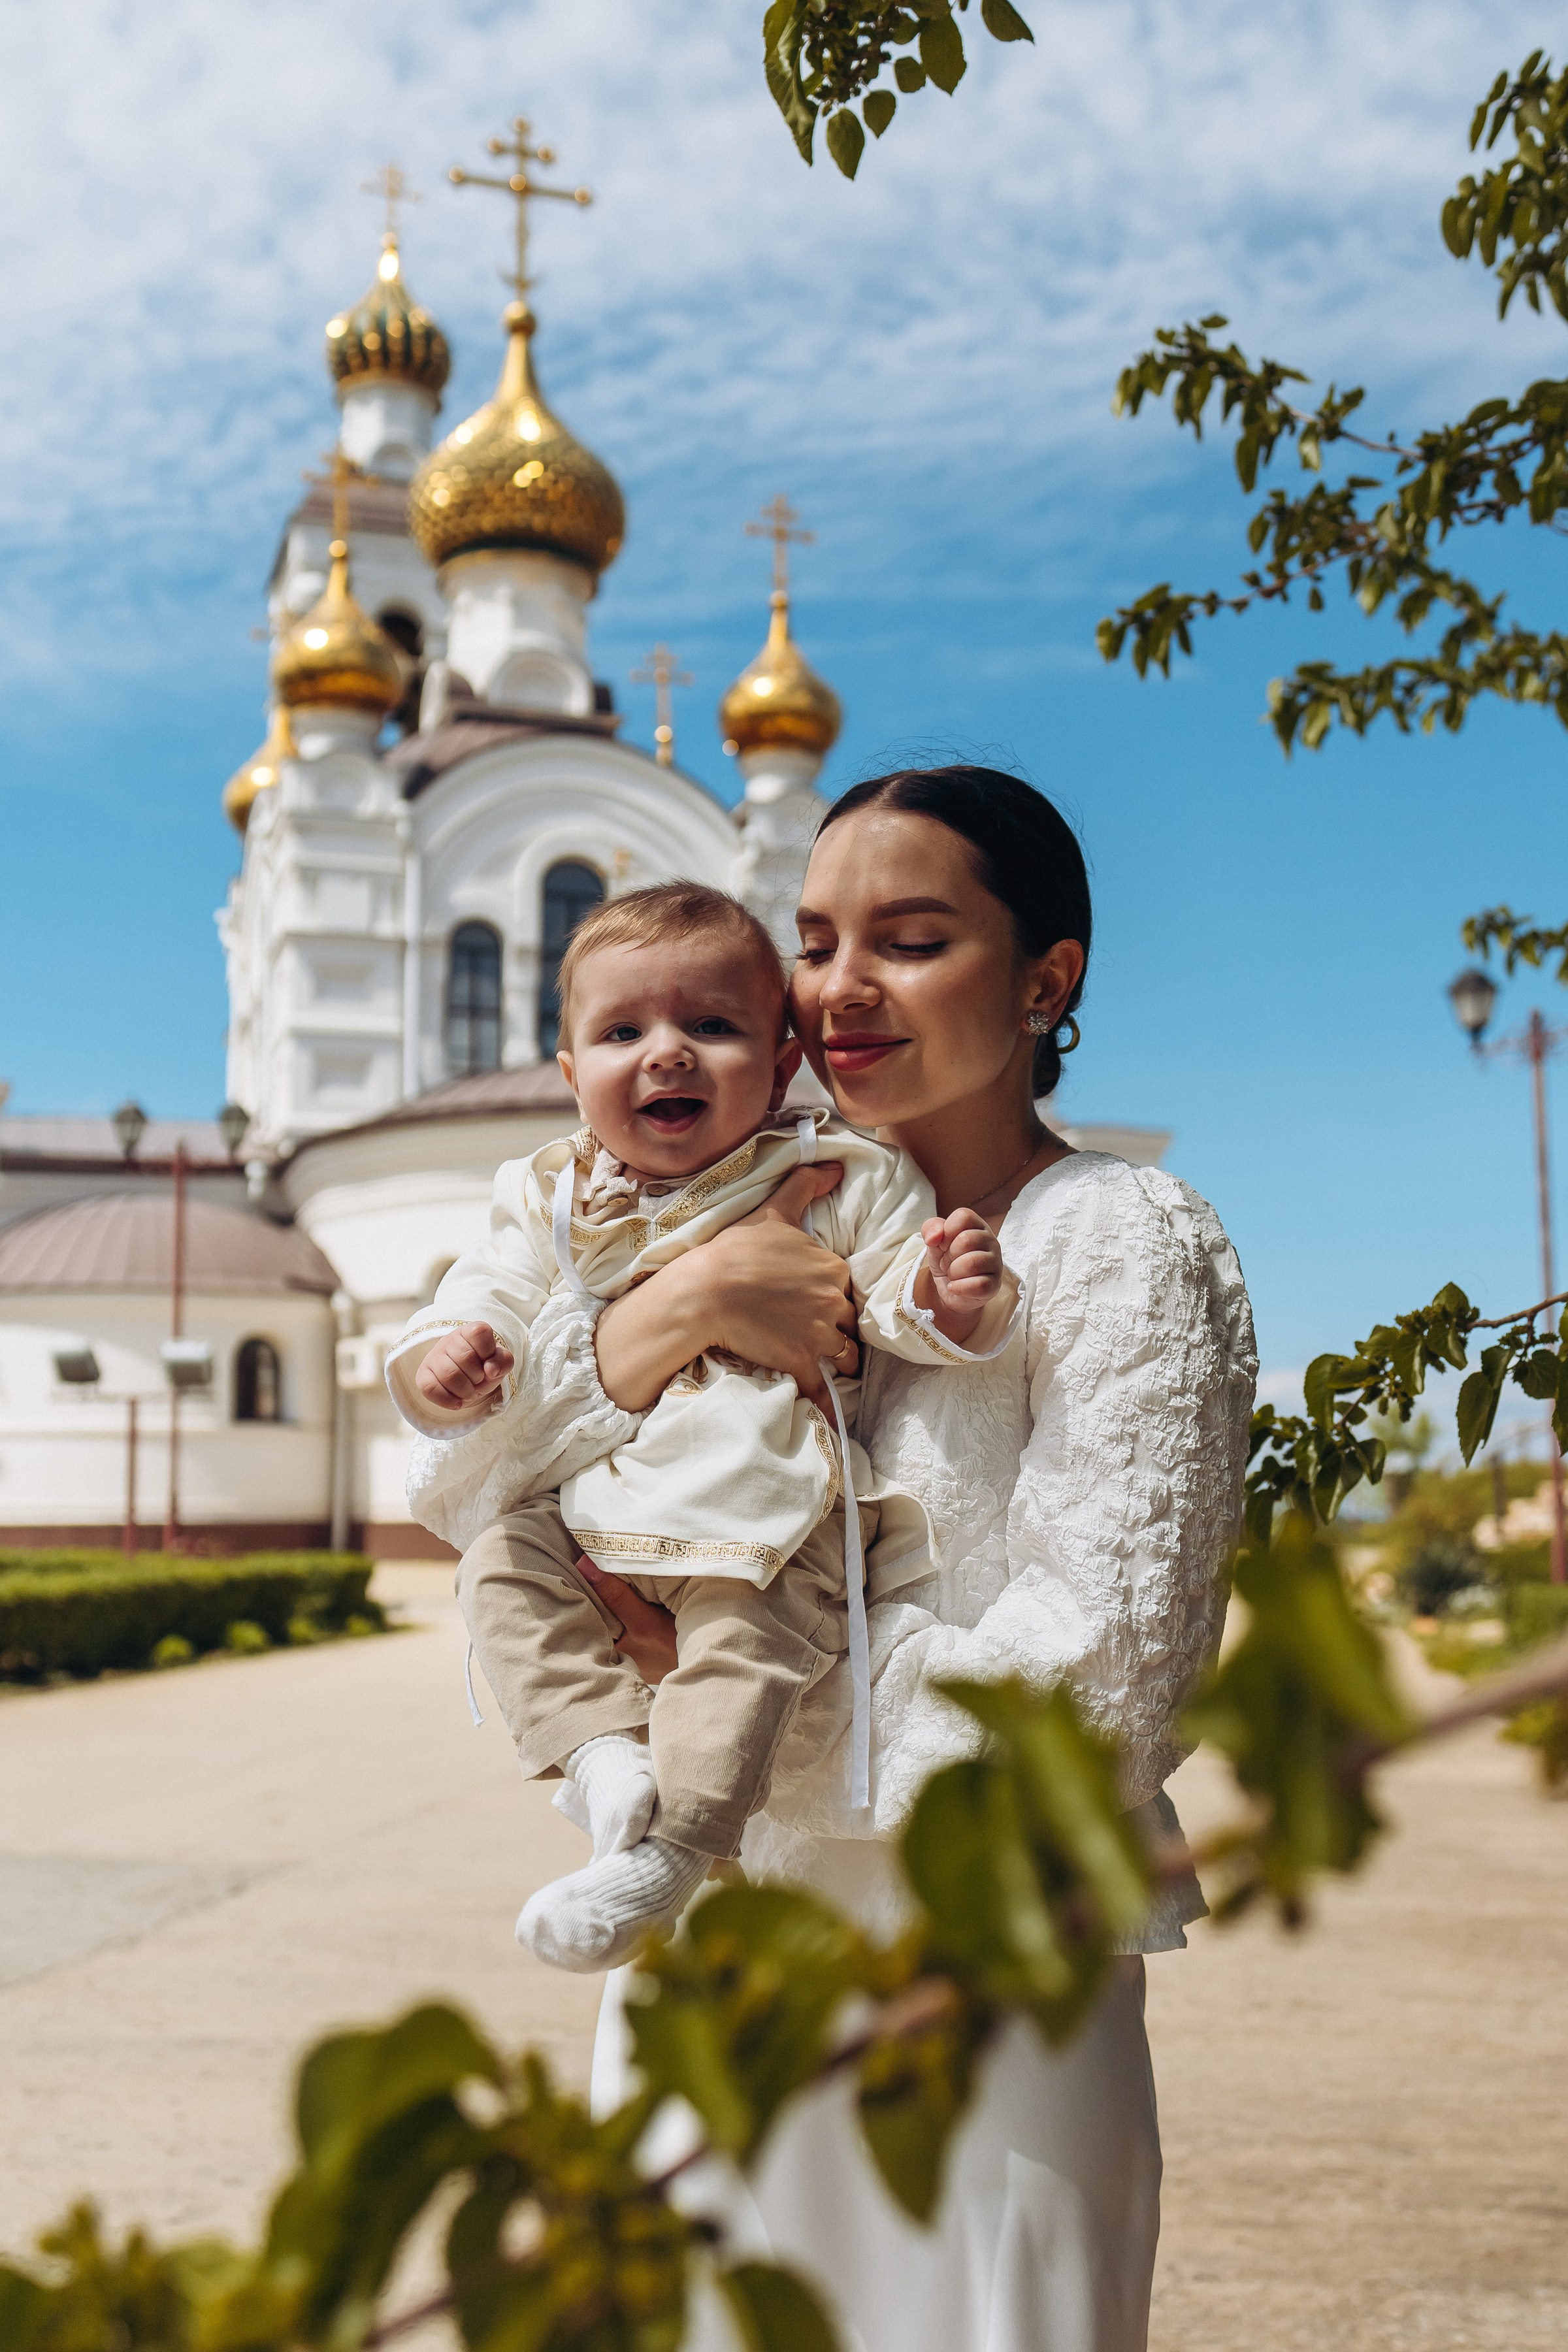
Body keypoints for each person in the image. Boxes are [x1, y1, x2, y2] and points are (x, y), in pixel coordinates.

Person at [406, 768, 1257, 2352]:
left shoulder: (1117, 1234)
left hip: (972, 1961)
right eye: (812, 939)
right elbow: (456, 1488)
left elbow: (1110, 1670)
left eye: (913, 940)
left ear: (1046, 978)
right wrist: (669, 1313)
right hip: (715, 1926)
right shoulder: (727, 1200)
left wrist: (738, 1701)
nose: (840, 988)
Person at [385, 882, 1017, 1975]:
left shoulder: (835, 1174)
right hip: (597, 1503)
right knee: (498, 1565)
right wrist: (451, 1363)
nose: (667, 1053)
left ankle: (668, 1858)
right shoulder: (547, 1195)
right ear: (571, 1072)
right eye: (623, 1031)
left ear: (782, 1066)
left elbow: (884, 1296)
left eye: (712, 1027)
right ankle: (600, 1757)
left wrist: (947, 1299)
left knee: (743, 1650)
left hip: (768, 1499)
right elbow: (479, 1295)